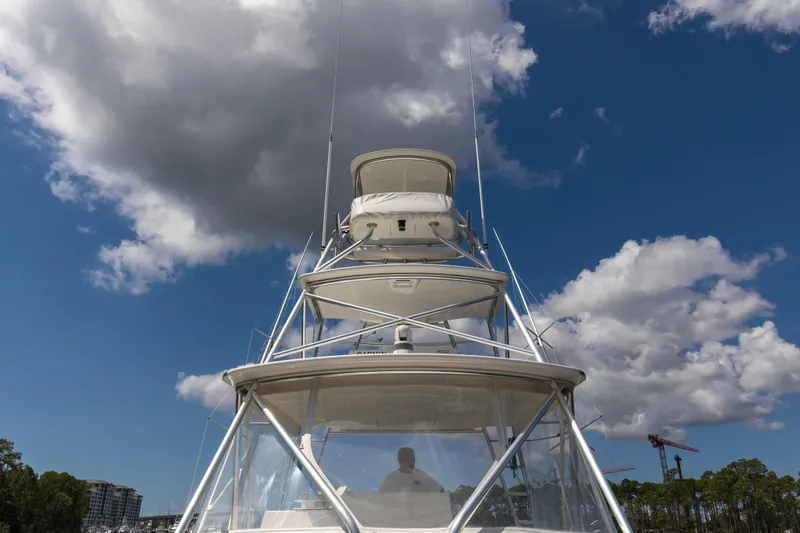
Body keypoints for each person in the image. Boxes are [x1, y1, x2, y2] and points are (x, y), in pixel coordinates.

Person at [378, 447, 445, 493]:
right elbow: (380, 500)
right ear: (400, 461)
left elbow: (440, 491)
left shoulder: (421, 476)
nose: (412, 462)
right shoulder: (390, 479)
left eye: (413, 459)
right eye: (409, 459)